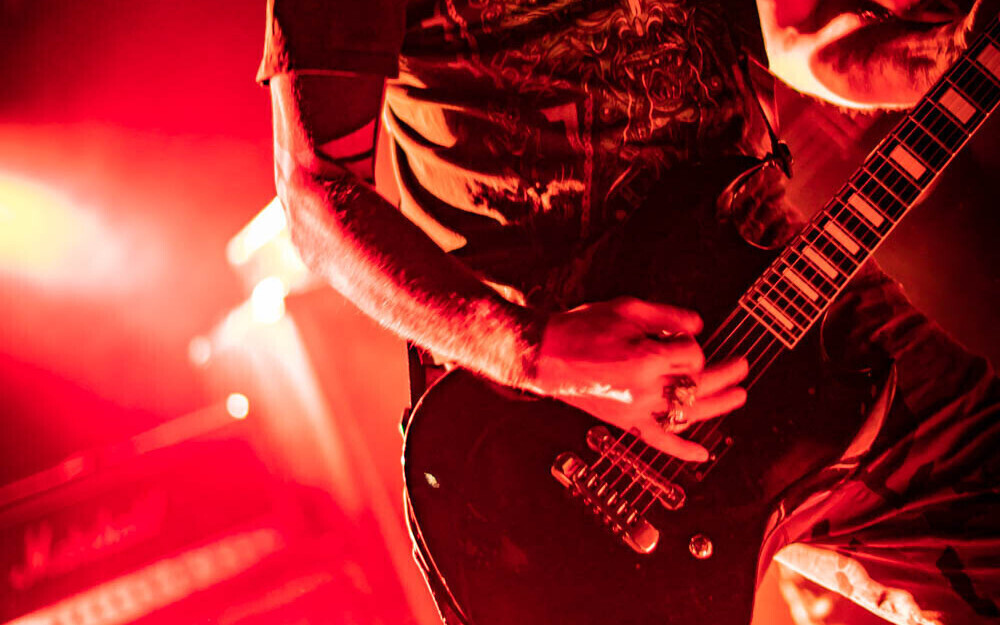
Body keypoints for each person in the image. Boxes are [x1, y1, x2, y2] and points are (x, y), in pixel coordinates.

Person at [258, 0, 999, 622]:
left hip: (773, 272)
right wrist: (534, 352)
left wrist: (938, 59)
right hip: (567, 416)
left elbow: (784, 35)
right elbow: (315, 192)